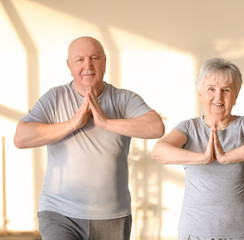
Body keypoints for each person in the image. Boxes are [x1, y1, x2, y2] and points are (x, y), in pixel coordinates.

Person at [13, 36, 165, 240]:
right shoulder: (54, 98)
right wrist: (73, 123)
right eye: (80, 60)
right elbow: (21, 138)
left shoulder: (124, 99)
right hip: (60, 213)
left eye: (94, 58)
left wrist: (105, 122)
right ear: (69, 65)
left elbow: (156, 127)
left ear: (105, 61)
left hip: (113, 216)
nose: (88, 66)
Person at [151, 58, 244, 239]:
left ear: (235, 96)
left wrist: (226, 157)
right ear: (200, 94)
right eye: (211, 89)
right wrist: (203, 158)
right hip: (196, 233)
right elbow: (159, 151)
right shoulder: (189, 128)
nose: (218, 97)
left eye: (226, 90)